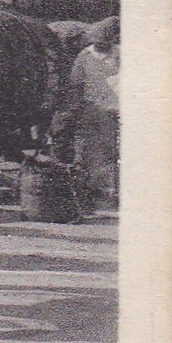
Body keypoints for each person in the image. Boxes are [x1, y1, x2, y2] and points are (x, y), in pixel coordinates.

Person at [60, 15, 120, 208]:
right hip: (91, 107)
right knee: (88, 149)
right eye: (98, 42)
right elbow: (75, 82)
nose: (101, 45)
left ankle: (109, 190)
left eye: (105, 42)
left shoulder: (121, 54)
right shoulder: (85, 55)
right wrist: (73, 107)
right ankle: (93, 189)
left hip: (115, 108)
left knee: (111, 150)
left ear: (112, 39)